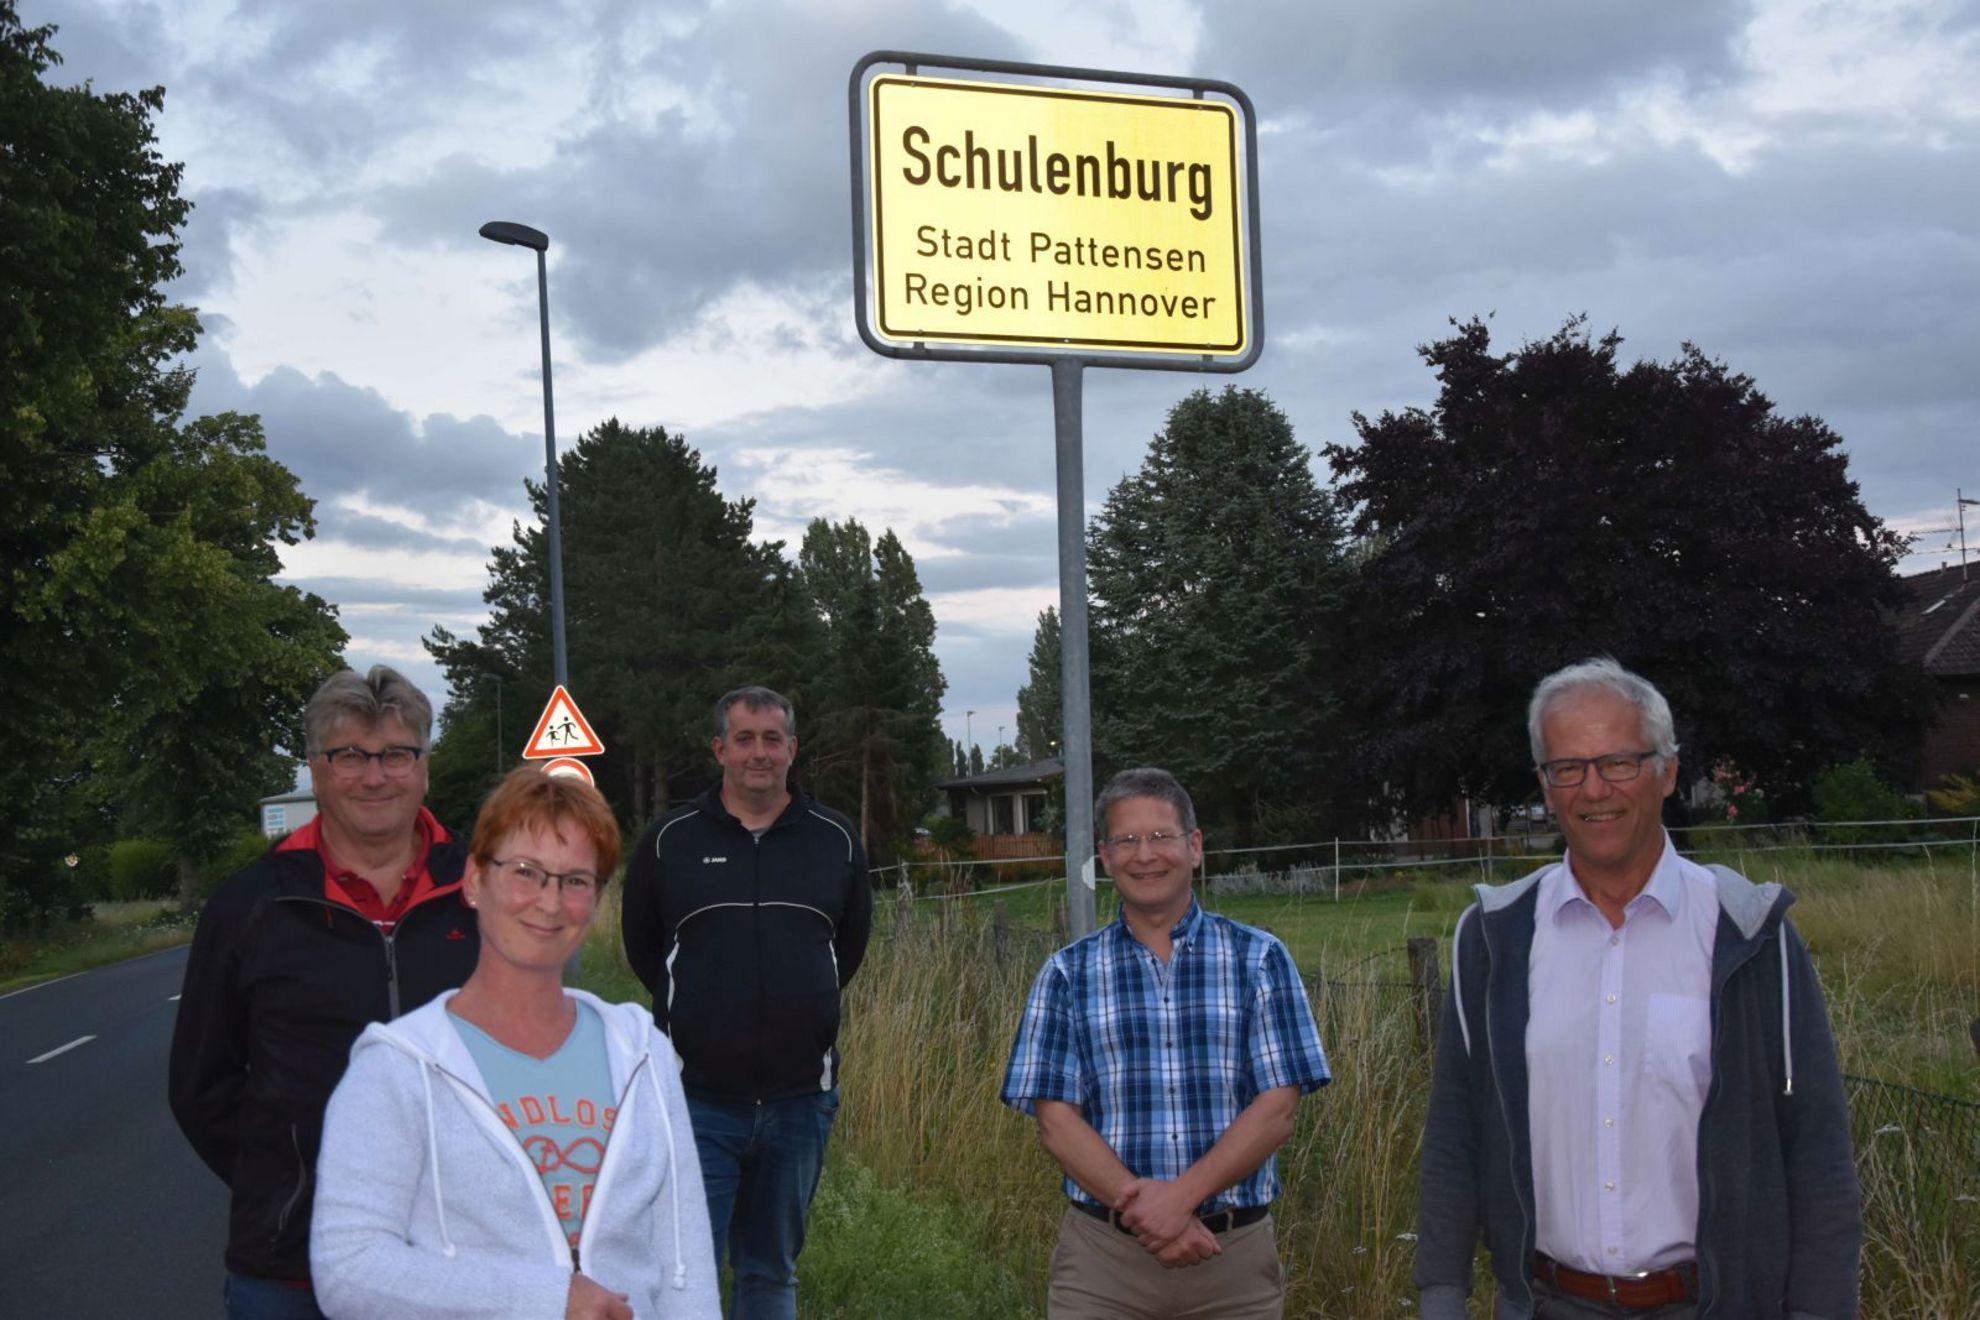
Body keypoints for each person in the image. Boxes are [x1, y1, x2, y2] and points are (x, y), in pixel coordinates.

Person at [1415, 657, 1862, 1318]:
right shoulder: (1494, 940)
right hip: (1549, 1303)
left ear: (1668, 772)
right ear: (1545, 786)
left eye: (1619, 762)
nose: (1594, 790)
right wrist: (1441, 1295)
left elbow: (1817, 1152)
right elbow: (1456, 1136)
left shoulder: (1749, 937)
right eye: (1568, 768)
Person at [310, 765, 719, 1318]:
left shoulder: (642, 1053)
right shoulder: (398, 1067)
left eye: (576, 880)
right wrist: (546, 1298)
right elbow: (347, 1267)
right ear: (475, 880)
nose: (550, 902)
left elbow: (685, 1266)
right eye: (526, 872)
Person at [171, 665, 479, 1319]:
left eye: (396, 754)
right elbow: (202, 1087)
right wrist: (286, 1181)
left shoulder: (488, 892)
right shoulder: (249, 905)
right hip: (291, 1265)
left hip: (462, 1256)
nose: (375, 776)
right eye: (350, 756)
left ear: (424, 767)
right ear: (315, 769)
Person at [1001, 767, 1332, 1320]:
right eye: (1126, 840)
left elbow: (1278, 1109)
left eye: (1161, 836)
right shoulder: (1066, 974)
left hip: (1233, 1266)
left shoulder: (1260, 960)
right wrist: (1149, 1212)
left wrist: (1178, 1201)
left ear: (1194, 846)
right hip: (1102, 1269)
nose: (1145, 855)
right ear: (1105, 858)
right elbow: (1055, 1119)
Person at [620, 686, 872, 1320]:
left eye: (771, 739)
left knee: (770, 1270)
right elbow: (645, 949)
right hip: (696, 1101)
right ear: (719, 749)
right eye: (744, 739)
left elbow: (846, 950)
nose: (759, 753)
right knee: (687, 1273)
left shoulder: (835, 839)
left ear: (792, 748)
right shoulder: (669, 839)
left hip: (800, 1101)